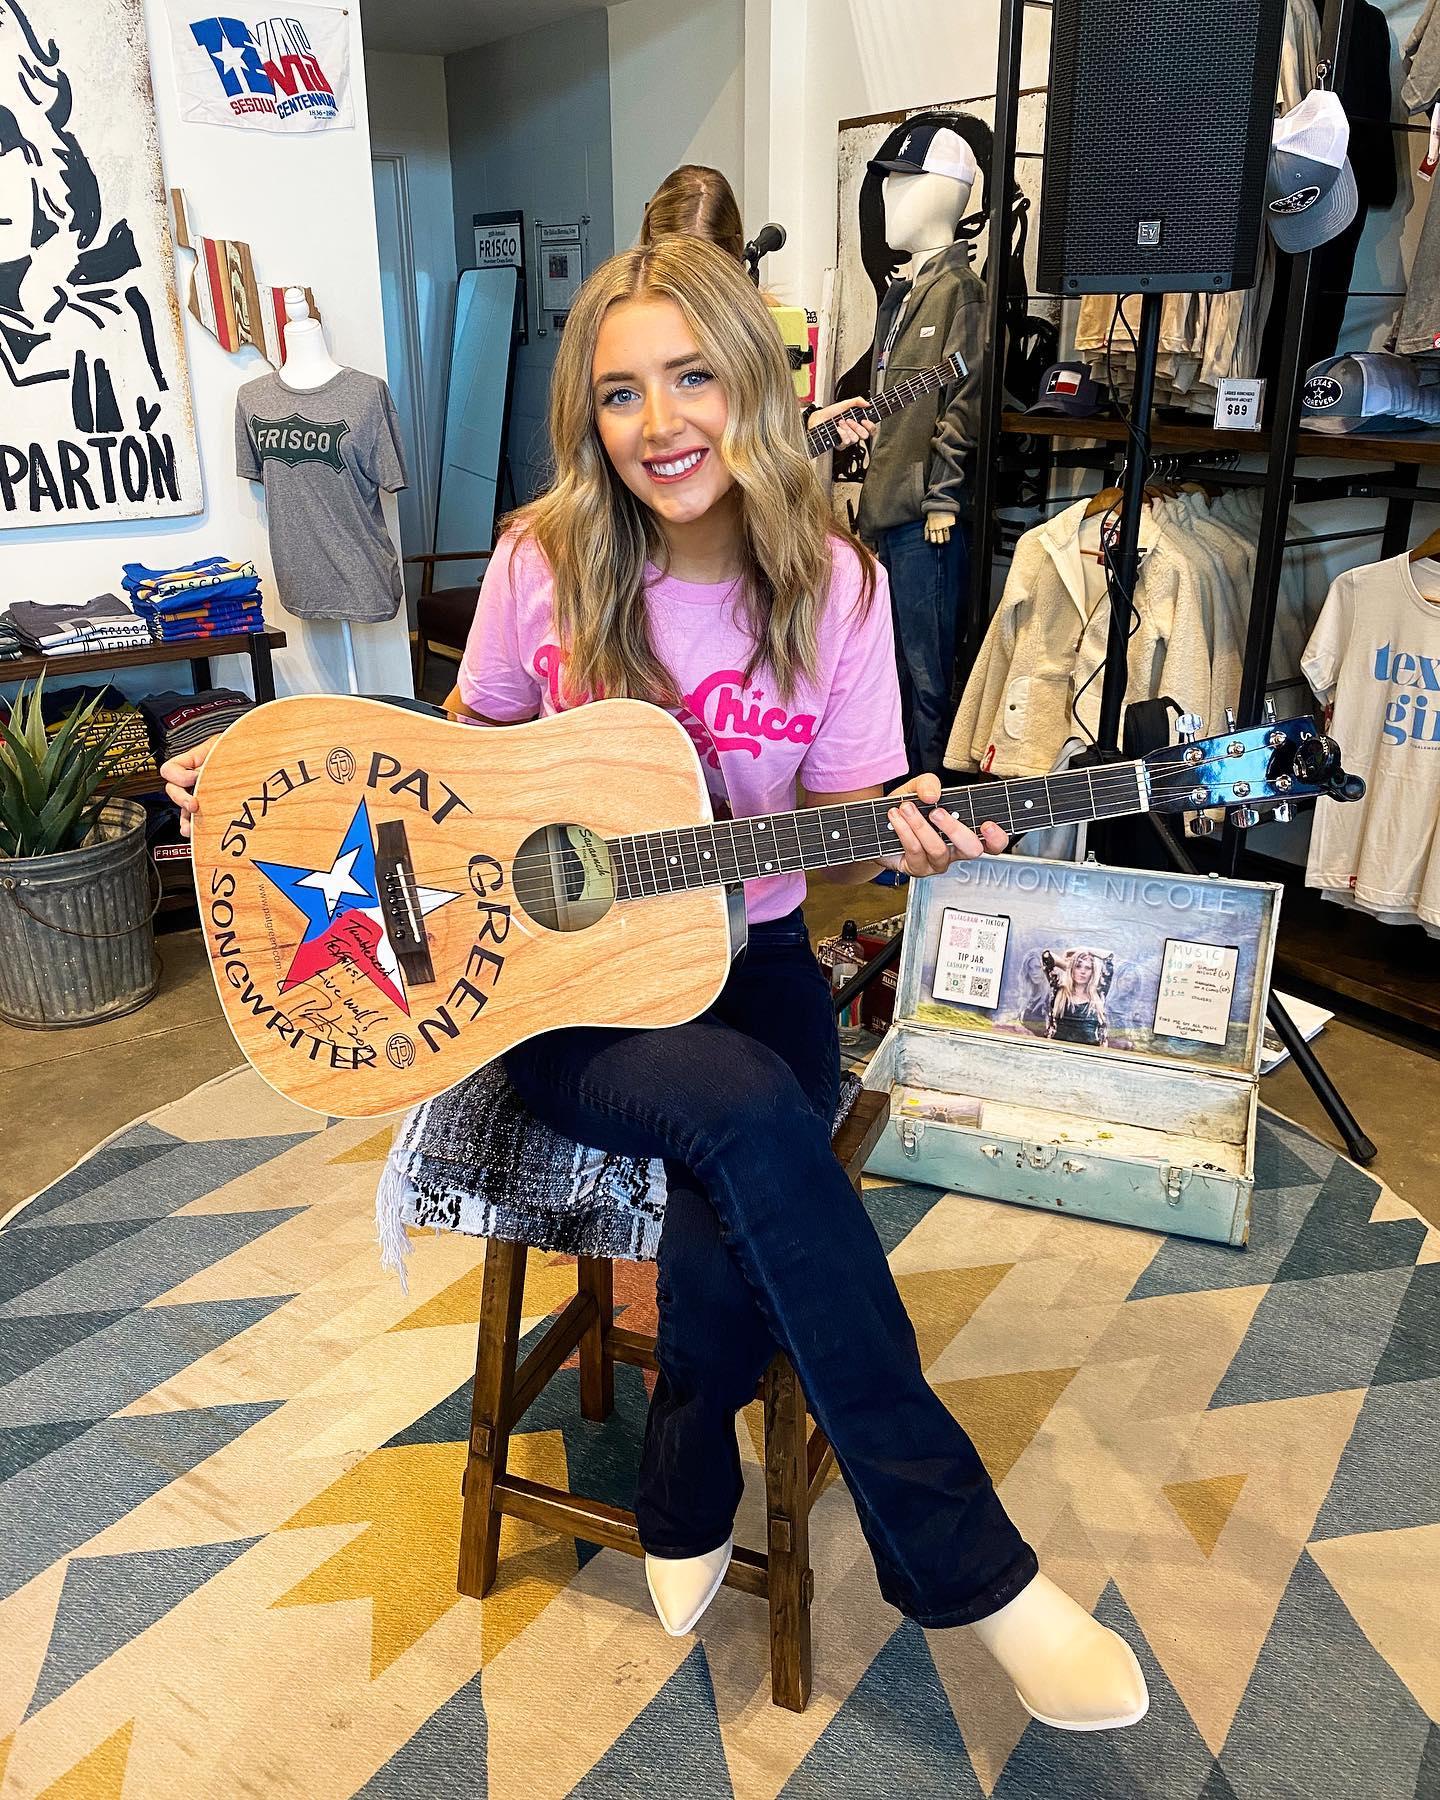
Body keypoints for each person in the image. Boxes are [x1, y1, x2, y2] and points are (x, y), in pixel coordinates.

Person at [162, 236, 1147, 1733]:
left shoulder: (841, 585)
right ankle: (970, 1567)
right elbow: (449, 764)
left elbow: (854, 817)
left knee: (732, 1165)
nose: (660, 422)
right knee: (755, 1123)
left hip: (747, 960)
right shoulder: (540, 560)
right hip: (559, 994)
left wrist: (914, 833)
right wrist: (260, 791)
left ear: (755, 383)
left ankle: (690, 1454)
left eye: (692, 376)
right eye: (620, 392)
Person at [639, 163, 876, 451]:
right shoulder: (623, 328)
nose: (692, 290)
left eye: (705, 271)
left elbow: (764, 437)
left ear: (732, 255)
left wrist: (809, 424)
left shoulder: (757, 323)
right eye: (680, 269)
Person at [1043, 948, 1114, 1047]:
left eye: (1088, 968)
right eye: (1078, 966)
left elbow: (1108, 956)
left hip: (1090, 1054)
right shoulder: (1059, 990)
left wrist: (1084, 949)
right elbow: (1046, 956)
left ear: (1092, 972)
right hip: (1058, 1051)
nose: (1083, 972)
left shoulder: (1098, 994)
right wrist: (1068, 967)